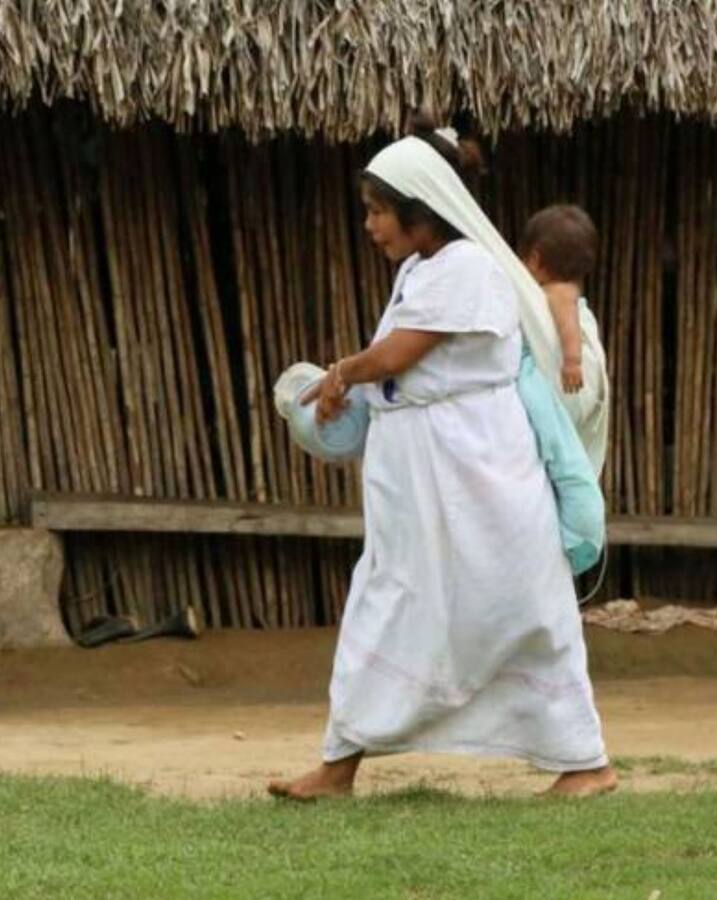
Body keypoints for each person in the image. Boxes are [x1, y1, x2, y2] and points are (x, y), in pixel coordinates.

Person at [267, 118, 616, 801]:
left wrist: (343, 374)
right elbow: (398, 373)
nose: (370, 225)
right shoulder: (422, 271)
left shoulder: (470, 269)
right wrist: (349, 394)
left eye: (377, 211)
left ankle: (586, 761)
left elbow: (398, 357)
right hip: (424, 480)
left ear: (420, 209)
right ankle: (340, 764)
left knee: (520, 608)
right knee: (389, 599)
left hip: (476, 475)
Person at [520, 205, 610, 476]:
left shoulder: (558, 293)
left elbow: (568, 325)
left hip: (568, 378)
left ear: (534, 259)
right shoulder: (563, 292)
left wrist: (572, 360)